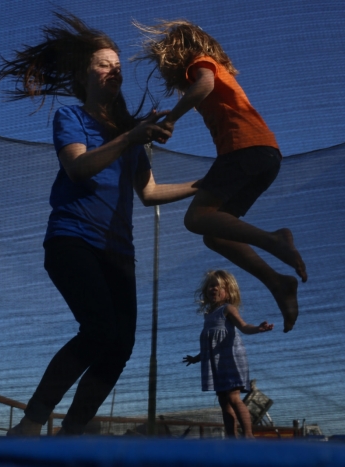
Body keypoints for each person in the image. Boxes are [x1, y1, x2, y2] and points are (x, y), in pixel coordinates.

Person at [0, 13, 200, 436]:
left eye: (118, 66)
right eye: (104, 64)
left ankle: (71, 433)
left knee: (120, 345)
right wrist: (132, 136)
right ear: (84, 74)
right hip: (73, 240)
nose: (114, 70)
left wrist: (204, 183)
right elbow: (77, 169)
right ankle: (31, 423)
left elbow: (149, 193)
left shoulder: (129, 131)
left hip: (119, 252)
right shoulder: (72, 117)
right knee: (100, 329)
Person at [134, 20, 307, 333]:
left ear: (178, 52)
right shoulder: (217, 69)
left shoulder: (201, 63)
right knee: (216, 234)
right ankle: (278, 282)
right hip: (264, 157)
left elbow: (204, 86)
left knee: (195, 218)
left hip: (244, 150)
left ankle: (274, 240)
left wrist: (170, 120)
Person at [183, 270, 273, 439]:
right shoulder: (208, 316)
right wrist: (196, 358)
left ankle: (248, 435)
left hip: (231, 359)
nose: (213, 289)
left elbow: (244, 327)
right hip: (216, 364)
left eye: (218, 286)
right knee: (223, 401)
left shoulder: (228, 309)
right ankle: (231, 437)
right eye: (211, 285)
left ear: (228, 291)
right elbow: (210, 346)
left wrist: (258, 329)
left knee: (233, 397)